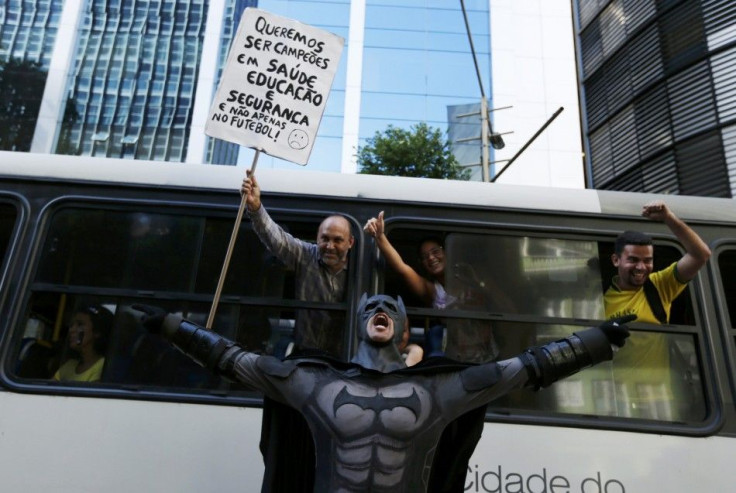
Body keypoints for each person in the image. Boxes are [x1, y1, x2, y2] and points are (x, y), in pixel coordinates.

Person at [134, 296, 633, 492]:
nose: (378, 307)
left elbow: (523, 369)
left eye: (389, 306)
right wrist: (172, 326)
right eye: (370, 304)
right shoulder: (313, 383)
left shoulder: (440, 388)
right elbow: (234, 360)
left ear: (402, 327)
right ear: (359, 324)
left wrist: (594, 341)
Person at [604, 200, 711, 419]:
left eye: (647, 260)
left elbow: (701, 255)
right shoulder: (601, 299)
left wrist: (669, 218)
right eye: (633, 259)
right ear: (616, 260)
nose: (641, 267)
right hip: (619, 398)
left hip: (660, 398)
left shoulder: (659, 286)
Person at [363, 211, 512, 363]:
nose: (431, 258)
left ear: (448, 252)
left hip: (488, 357)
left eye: (435, 252)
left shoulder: (475, 276)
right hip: (456, 359)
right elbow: (402, 268)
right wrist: (380, 236)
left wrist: (478, 282)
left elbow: (507, 308)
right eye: (425, 256)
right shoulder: (432, 291)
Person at [241, 172, 355, 357]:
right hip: (304, 356)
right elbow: (277, 239)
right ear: (317, 238)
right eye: (324, 239)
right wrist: (255, 208)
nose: (330, 246)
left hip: (342, 359)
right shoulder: (307, 255)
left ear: (350, 243)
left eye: (338, 240)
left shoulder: (359, 270)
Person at [53, 304, 114, 382]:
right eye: (72, 325)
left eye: (80, 325)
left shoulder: (103, 367)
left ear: (97, 332)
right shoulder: (69, 365)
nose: (71, 330)